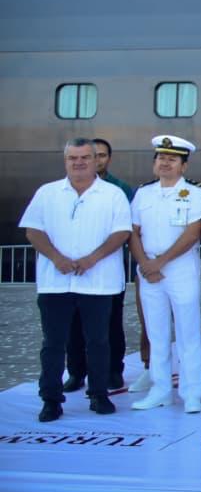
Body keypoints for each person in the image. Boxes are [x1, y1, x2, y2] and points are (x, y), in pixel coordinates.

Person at [22, 138, 132, 422]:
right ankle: (51, 400)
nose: (79, 162)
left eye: (85, 157)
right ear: (65, 160)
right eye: (73, 158)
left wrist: (92, 258)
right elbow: (33, 231)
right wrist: (56, 257)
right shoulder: (47, 193)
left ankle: (98, 395)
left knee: (98, 341)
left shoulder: (112, 194)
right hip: (55, 283)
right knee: (54, 343)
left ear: (96, 160)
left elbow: (121, 233)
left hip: (98, 282)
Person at [128, 136, 201, 414]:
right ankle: (160, 389)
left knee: (188, 333)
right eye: (161, 158)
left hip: (180, 269)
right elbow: (133, 232)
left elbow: (192, 231)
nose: (165, 163)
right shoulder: (143, 194)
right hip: (148, 270)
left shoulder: (195, 193)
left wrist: (160, 262)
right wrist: (145, 264)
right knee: (156, 333)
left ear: (183, 166)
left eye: (172, 159)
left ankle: (191, 393)